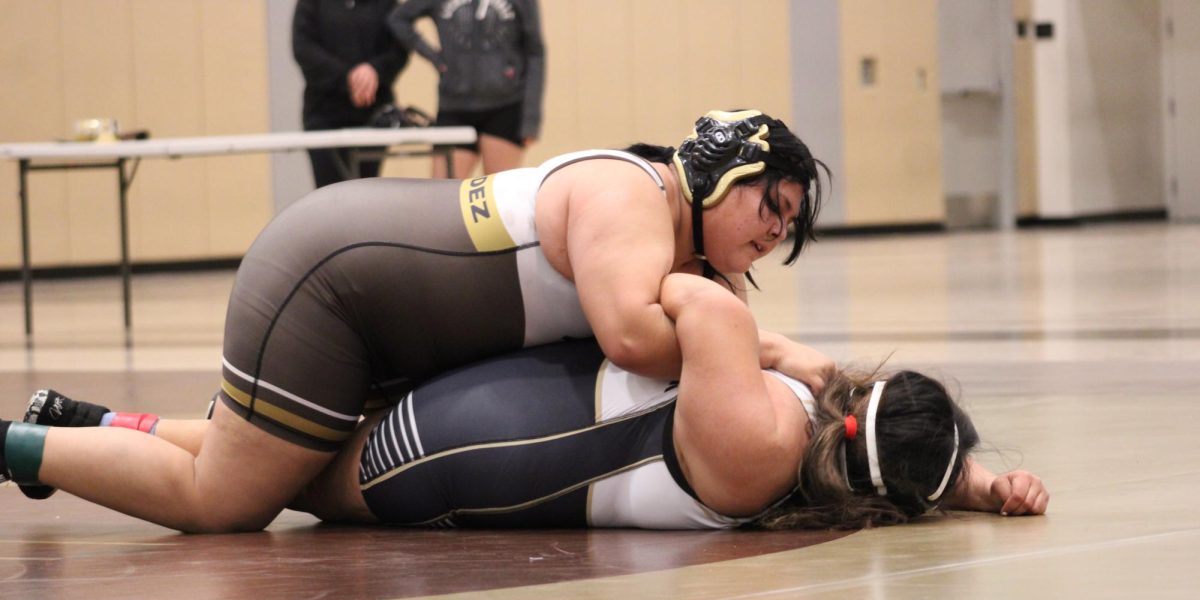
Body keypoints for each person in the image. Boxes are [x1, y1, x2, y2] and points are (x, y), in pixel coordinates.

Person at [0, 110, 830, 532]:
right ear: (724, 174)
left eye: (786, 225)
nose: (772, 231)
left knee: (266, 458)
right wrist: (765, 347)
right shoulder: (637, 197)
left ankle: (85, 425)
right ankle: (15, 446)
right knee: (224, 503)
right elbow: (633, 342)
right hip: (330, 290)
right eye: (771, 205)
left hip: (352, 289)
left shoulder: (664, 227)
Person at [1, 273, 1048, 530]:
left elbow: (699, 301)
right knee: (264, 452)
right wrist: (974, 483)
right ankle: (83, 424)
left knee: (226, 493)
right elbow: (886, 460)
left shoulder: (761, 422)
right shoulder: (794, 477)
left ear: (865, 399)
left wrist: (824, 370)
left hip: (462, 436)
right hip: (481, 442)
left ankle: (22, 446)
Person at [387, 0, 545, 177]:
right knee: (442, 195)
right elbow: (398, 18)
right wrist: (435, 58)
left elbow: (535, 51)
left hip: (505, 105)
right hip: (454, 105)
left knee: (498, 195)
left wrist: (531, 119)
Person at [293, 0, 410, 187]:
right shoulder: (312, 3)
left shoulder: (387, 4)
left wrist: (375, 70)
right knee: (329, 194)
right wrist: (348, 78)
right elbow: (303, 47)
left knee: (368, 193)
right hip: (323, 113)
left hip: (372, 113)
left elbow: (399, 47)